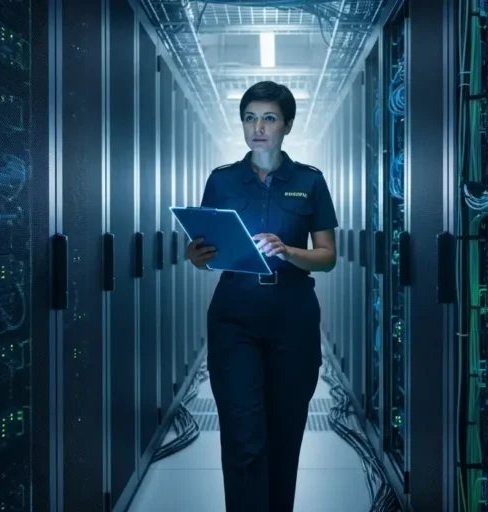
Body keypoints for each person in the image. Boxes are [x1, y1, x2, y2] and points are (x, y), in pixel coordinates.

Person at [186, 81, 338, 512]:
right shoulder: (222, 181)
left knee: (284, 434)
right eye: (250, 118)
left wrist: (288, 250)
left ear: (287, 125)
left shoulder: (309, 182)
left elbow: (327, 258)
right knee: (243, 437)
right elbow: (203, 252)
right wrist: (195, 254)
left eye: (269, 118)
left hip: (293, 316)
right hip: (235, 315)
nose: (259, 127)